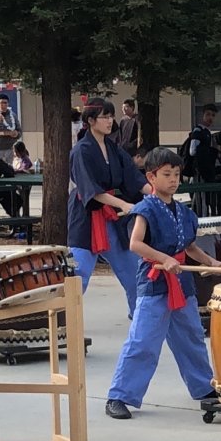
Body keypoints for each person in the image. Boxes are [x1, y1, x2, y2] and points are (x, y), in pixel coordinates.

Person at [104, 147, 220, 420]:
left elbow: (189, 246)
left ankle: (204, 388)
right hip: (155, 282)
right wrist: (163, 258)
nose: (173, 180)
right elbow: (135, 244)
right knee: (143, 341)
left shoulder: (183, 211)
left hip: (182, 283)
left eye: (177, 174)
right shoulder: (145, 209)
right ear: (151, 177)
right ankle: (119, 396)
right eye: (166, 174)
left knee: (192, 336)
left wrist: (209, 262)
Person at [69, 98, 146, 316]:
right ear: (91, 120)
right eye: (105, 116)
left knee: (134, 272)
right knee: (78, 276)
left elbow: (132, 175)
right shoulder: (81, 151)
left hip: (111, 218)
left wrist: (158, 193)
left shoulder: (113, 148)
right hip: (85, 218)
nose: (110, 121)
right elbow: (90, 190)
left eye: (111, 116)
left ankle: (140, 322)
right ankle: (66, 330)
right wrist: (123, 203)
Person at [185, 103, 220, 182]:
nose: (210, 117)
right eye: (208, 114)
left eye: (213, 115)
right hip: (199, 172)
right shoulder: (198, 131)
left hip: (206, 169)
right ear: (203, 115)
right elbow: (192, 151)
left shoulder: (207, 132)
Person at [0, 94, 21, 163]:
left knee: (9, 170)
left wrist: (16, 134)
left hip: (10, 148)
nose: (4, 105)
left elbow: (19, 130)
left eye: (6, 103)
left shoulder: (12, 115)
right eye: (1, 103)